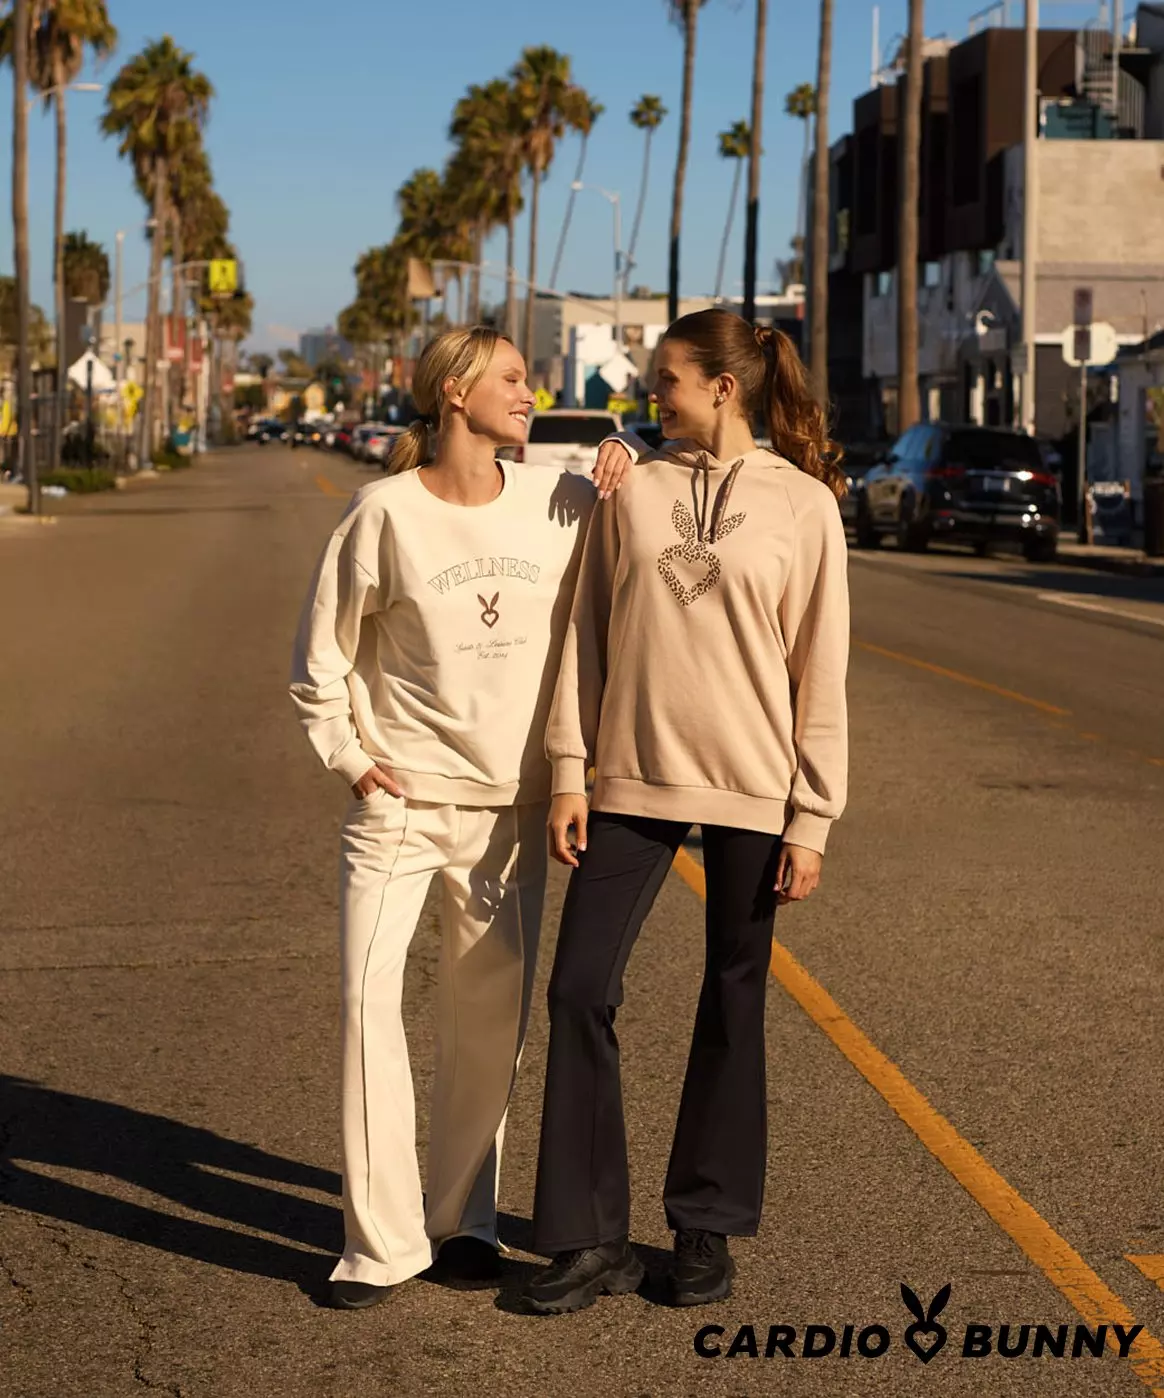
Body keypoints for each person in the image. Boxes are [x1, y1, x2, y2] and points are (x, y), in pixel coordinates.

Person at [289, 326, 630, 1310]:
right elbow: (321, 661)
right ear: (454, 394)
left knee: (489, 1028)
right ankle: (378, 1245)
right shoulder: (383, 513)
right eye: (515, 378)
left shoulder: (560, 502)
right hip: (399, 810)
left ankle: (462, 1221)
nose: (533, 392)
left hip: (510, 812)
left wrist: (631, 460)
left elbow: (639, 539)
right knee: (366, 1007)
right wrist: (353, 762)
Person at [521, 308, 851, 1316]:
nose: (648, 391)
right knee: (579, 989)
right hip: (629, 776)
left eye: (665, 378)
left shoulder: (805, 508)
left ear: (723, 387)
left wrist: (813, 818)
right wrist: (571, 768)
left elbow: (820, 671)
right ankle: (589, 1238)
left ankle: (704, 1228)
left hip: (755, 786)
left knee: (734, 999)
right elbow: (584, 629)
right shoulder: (629, 485)